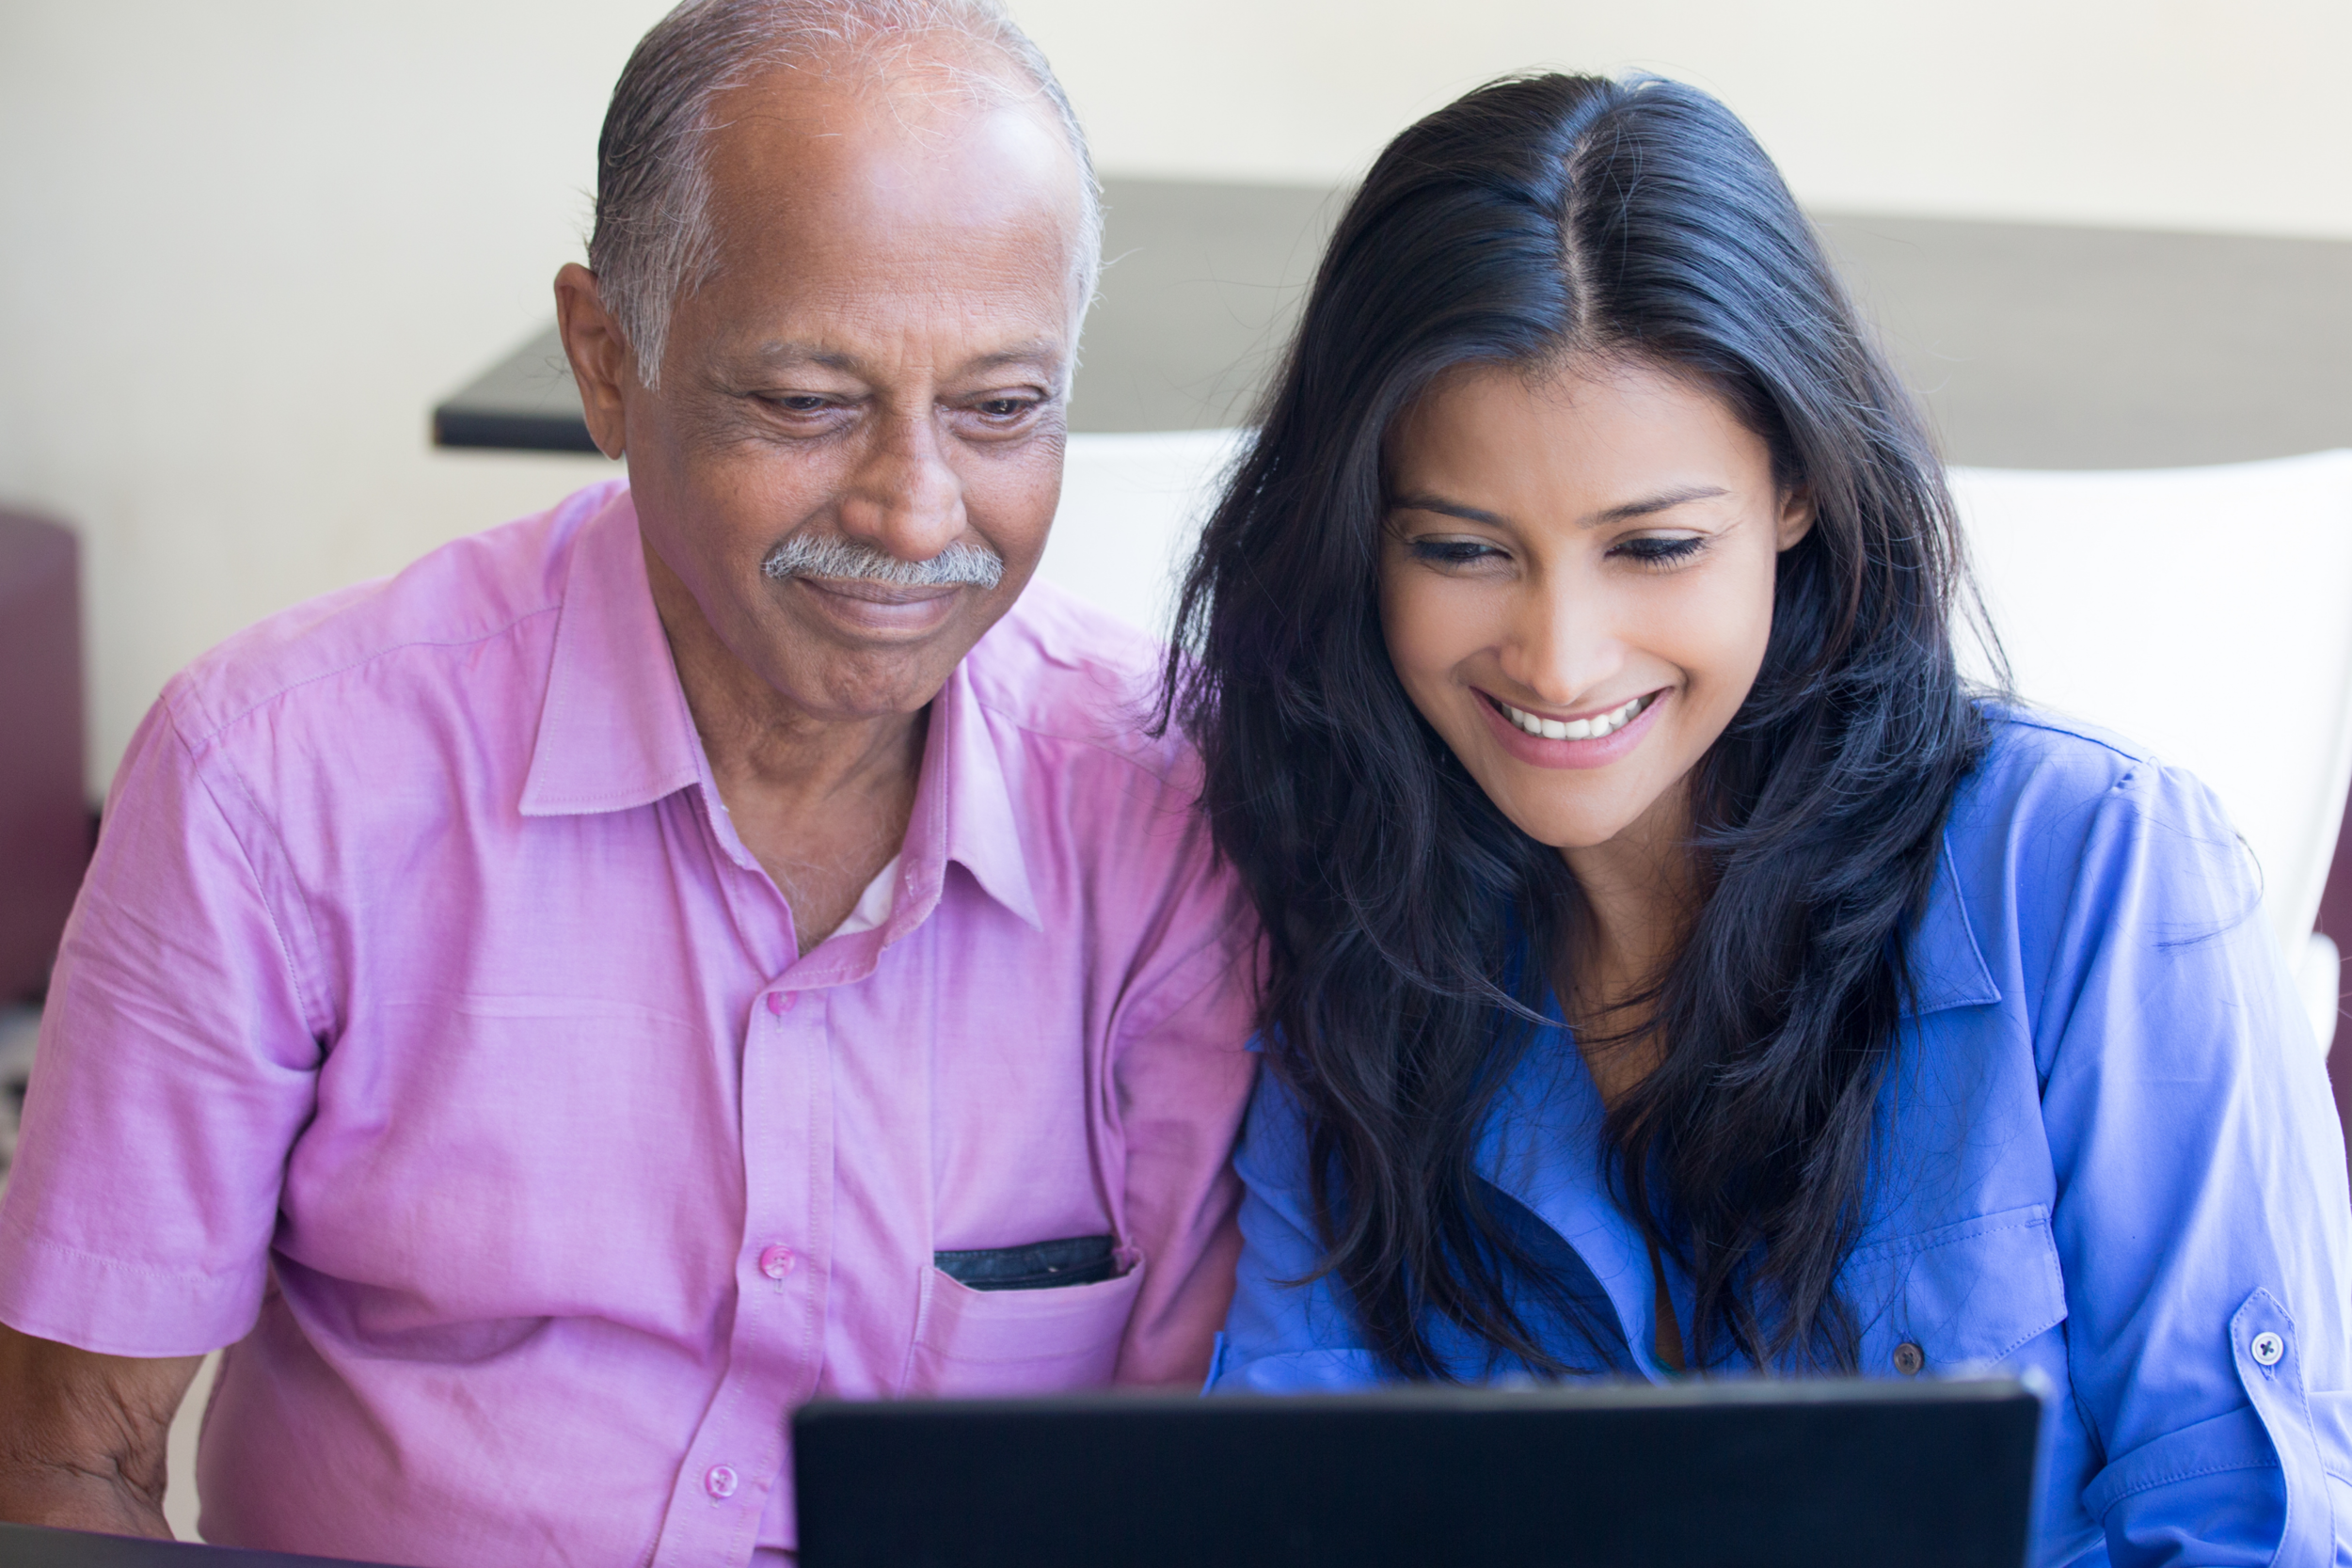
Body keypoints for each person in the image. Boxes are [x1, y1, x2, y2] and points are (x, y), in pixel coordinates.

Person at [0, 2, 1256, 1562]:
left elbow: (1202, 1484)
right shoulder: (271, 780)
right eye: (807, 401)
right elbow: (67, 1466)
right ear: (609, 360)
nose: (917, 513)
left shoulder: (1178, 816)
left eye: (1002, 407)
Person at [1170, 71, 2352, 1565]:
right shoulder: (1353, 928)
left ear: (1795, 490)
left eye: (1656, 545)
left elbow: (2255, 1526)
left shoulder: (2094, 866)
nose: (1560, 657)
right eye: (1463, 548)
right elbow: (1300, 1504)